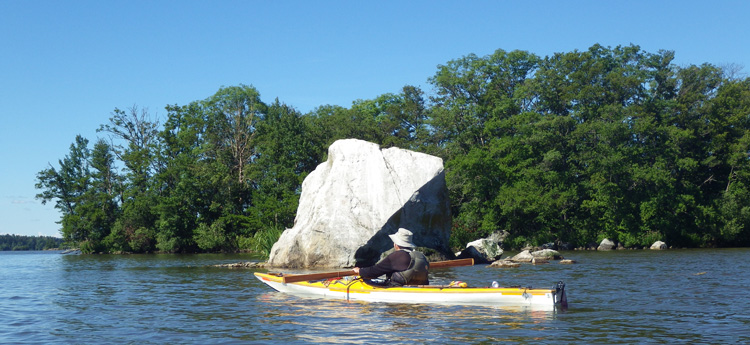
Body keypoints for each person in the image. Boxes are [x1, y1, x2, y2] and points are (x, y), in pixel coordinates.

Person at [352, 228, 429, 286]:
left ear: (396, 244)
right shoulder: (420, 255)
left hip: (398, 289)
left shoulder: (397, 256)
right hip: (420, 288)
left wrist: (360, 271)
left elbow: (375, 271)